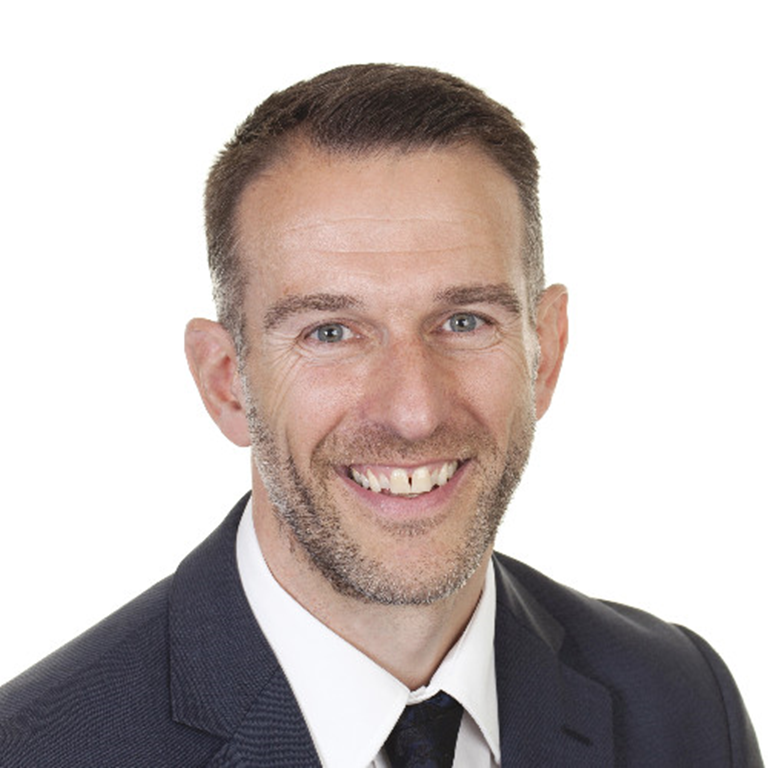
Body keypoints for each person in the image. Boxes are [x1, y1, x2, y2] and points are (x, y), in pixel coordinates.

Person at [0, 63, 761, 768]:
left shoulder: (683, 706)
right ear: (228, 383)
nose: (414, 412)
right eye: (330, 333)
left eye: (464, 321)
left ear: (546, 353)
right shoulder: (40, 748)